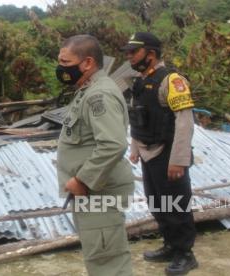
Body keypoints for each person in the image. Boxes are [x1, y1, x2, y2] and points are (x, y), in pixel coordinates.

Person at [56, 34, 134, 276]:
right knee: (99, 258)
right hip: (91, 193)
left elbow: (113, 144)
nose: (60, 69)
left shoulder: (99, 95)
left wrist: (82, 180)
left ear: (87, 63)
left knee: (107, 263)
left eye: (66, 63)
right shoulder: (87, 90)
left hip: (98, 192)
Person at [122, 32, 198, 275]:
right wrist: (135, 148)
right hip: (148, 153)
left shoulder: (172, 81)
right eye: (128, 52)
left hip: (168, 154)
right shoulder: (139, 82)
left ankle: (185, 254)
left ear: (151, 54)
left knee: (177, 206)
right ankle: (170, 245)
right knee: (158, 203)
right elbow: (136, 118)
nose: (129, 56)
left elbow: (185, 123)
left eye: (134, 52)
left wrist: (178, 161)